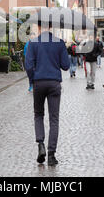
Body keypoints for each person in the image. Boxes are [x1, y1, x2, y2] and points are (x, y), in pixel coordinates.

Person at [25, 25, 70, 166]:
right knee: (54, 119)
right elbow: (66, 65)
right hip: (54, 83)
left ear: (39, 27)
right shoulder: (59, 42)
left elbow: (28, 65)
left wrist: (32, 80)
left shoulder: (33, 43)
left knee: (38, 114)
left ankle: (40, 144)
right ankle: (51, 155)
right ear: (51, 26)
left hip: (39, 82)